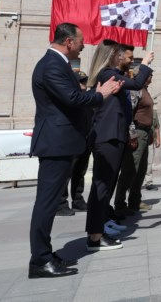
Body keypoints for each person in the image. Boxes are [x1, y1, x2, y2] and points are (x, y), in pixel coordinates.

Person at [28, 23, 121, 279]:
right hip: (55, 142)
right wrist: (99, 94)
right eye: (80, 41)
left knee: (48, 202)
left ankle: (44, 253)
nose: (83, 45)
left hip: (62, 142)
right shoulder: (51, 65)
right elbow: (73, 99)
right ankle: (40, 260)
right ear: (68, 42)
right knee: (46, 204)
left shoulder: (57, 64)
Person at [85, 41, 154, 252]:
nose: (129, 60)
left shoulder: (112, 75)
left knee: (107, 185)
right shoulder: (107, 75)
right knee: (102, 186)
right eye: (125, 56)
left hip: (115, 136)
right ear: (114, 55)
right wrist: (146, 63)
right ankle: (95, 237)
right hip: (108, 136)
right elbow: (136, 84)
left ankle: (101, 227)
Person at [115, 69, 157, 216]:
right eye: (149, 76)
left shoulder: (145, 90)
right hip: (137, 132)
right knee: (130, 169)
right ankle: (120, 204)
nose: (150, 79)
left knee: (141, 170)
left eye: (151, 76)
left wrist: (151, 132)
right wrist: (132, 135)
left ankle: (135, 201)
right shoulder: (135, 90)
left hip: (145, 132)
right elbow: (129, 114)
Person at [57, 70, 93, 216]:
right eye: (80, 81)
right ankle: (60, 203)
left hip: (86, 138)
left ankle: (77, 200)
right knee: (67, 173)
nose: (83, 85)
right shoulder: (70, 97)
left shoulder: (86, 97)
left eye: (84, 81)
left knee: (80, 172)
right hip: (72, 139)